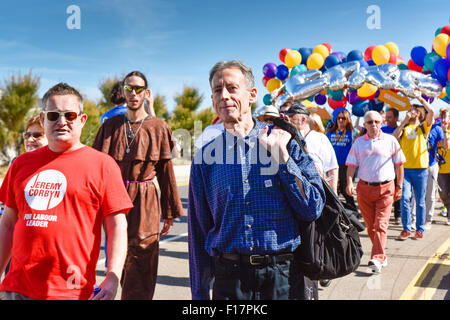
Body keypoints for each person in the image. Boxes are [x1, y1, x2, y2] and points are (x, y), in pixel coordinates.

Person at [188, 60, 325, 300]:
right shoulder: (204, 160)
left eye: (232, 88)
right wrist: (199, 294)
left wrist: (283, 161)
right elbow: (198, 233)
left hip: (282, 278)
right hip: (229, 281)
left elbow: (312, 207)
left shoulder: (285, 141)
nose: (224, 96)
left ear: (252, 95)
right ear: (212, 101)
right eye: (218, 90)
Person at [0, 82, 132, 300]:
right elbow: (7, 224)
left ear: (82, 120)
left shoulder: (103, 165)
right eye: (53, 115)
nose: (62, 121)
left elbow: (117, 226)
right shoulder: (20, 164)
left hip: (73, 292)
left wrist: (113, 275)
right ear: (43, 120)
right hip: (17, 290)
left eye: (69, 115)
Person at [93, 71, 184, 300]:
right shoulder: (110, 125)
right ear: (123, 91)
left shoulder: (159, 126)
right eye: (129, 88)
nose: (134, 93)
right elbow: (94, 167)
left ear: (146, 92)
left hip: (146, 200)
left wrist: (169, 211)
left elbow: (166, 173)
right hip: (114, 199)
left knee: (143, 260)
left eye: (139, 88)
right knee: (117, 260)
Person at [346, 111, 405, 273]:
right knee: (371, 227)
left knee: (381, 224)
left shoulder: (391, 140)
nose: (374, 125)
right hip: (364, 190)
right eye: (370, 122)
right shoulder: (358, 143)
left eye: (377, 122)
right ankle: (382, 255)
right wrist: (350, 182)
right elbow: (351, 165)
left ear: (382, 122)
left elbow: (400, 165)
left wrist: (399, 186)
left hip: (386, 188)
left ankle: (377, 258)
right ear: (364, 125)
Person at [393, 89, 435, 240]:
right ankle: (406, 229)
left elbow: (431, 111)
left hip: (421, 169)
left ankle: (420, 229)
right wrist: (404, 121)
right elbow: (393, 138)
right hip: (405, 169)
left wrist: (420, 98)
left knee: (420, 200)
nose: (410, 111)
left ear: (418, 113)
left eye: (413, 110)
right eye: (409, 110)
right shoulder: (404, 128)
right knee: (404, 199)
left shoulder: (424, 127)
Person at [286, 102, 338, 194]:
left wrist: (333, 192)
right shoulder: (286, 138)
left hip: (317, 189)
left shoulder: (320, 138)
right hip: (293, 190)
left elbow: (332, 167)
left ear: (303, 119)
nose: (288, 121)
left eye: (291, 118)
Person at [410, 109, 448, 230]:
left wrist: (445, 130)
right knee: (416, 195)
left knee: (430, 195)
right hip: (417, 165)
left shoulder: (437, 128)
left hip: (431, 165)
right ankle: (413, 219)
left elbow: (445, 146)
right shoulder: (415, 127)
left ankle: (428, 219)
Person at [326, 108, 358, 212]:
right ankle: (335, 210)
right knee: (334, 188)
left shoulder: (351, 132)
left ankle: (353, 209)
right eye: (338, 118)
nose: (340, 120)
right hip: (332, 165)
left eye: (343, 118)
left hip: (346, 165)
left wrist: (357, 116)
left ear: (347, 119)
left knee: (345, 189)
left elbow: (360, 133)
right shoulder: (330, 132)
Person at [436, 107, 450, 226]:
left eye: (447, 116)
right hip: (442, 168)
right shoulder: (437, 130)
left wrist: (445, 131)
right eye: (443, 116)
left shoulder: (445, 131)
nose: (445, 119)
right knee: (443, 193)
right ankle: (447, 207)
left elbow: (447, 146)